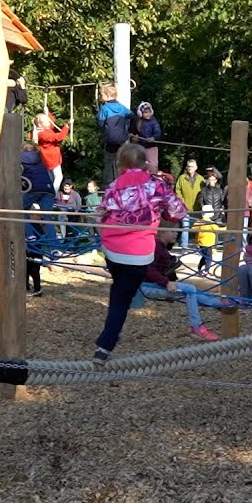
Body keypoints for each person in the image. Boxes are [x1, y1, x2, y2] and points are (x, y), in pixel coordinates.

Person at [91, 142, 189, 365]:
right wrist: (161, 209)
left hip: (112, 250)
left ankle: (110, 334)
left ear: (121, 164)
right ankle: (105, 346)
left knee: (119, 291)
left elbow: (101, 214)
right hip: (138, 253)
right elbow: (178, 212)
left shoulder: (114, 186)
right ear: (145, 162)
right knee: (121, 298)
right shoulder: (156, 186)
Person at [139, 224, 226, 341]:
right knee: (189, 290)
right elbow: (148, 269)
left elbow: (160, 270)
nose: (176, 234)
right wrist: (166, 283)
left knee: (191, 292)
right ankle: (197, 326)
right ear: (161, 232)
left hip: (154, 285)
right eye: (173, 231)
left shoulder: (160, 246)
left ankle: (220, 304)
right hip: (148, 286)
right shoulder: (155, 247)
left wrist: (168, 284)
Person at [21, 142, 57, 297]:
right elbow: (52, 175)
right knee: (48, 218)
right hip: (48, 189)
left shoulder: (19, 157)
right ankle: (54, 246)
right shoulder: (40, 159)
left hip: (33, 188)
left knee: (20, 210)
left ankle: (29, 234)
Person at [96, 83, 133, 185]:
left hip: (109, 138)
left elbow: (100, 122)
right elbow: (131, 115)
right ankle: (120, 181)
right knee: (119, 160)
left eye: (102, 95)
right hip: (122, 138)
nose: (100, 97)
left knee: (109, 160)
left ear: (107, 95)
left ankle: (109, 183)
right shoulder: (121, 107)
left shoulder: (105, 108)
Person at [34, 111, 70, 191]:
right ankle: (52, 194)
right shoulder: (43, 134)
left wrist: (47, 112)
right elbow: (59, 137)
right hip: (51, 158)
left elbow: (51, 122)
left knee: (51, 178)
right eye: (46, 121)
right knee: (58, 177)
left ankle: (47, 193)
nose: (48, 122)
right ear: (40, 124)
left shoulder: (45, 130)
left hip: (49, 158)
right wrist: (66, 126)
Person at [174, 159, 204, 248]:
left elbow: (204, 192)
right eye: (188, 166)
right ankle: (184, 246)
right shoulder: (182, 178)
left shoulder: (201, 179)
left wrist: (201, 204)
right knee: (185, 228)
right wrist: (182, 202)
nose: (190, 168)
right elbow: (177, 191)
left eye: (192, 166)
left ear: (196, 168)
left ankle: (199, 246)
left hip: (197, 208)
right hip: (185, 208)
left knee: (198, 228)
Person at [131, 101, 163, 173]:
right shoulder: (137, 122)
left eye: (149, 112)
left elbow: (158, 132)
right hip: (140, 147)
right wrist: (134, 138)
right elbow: (133, 133)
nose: (148, 114)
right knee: (139, 165)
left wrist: (153, 138)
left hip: (151, 146)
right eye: (145, 112)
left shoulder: (154, 122)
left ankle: (153, 178)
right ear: (140, 113)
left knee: (152, 165)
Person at [193, 210, 218, 276]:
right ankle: (206, 271)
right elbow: (217, 229)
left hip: (201, 243)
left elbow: (194, 228)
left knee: (204, 257)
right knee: (209, 258)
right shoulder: (210, 222)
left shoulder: (200, 221)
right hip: (208, 243)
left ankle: (199, 269)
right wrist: (227, 227)